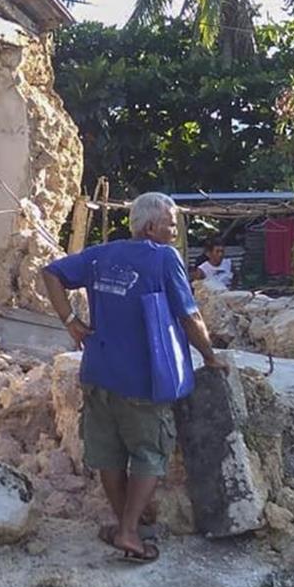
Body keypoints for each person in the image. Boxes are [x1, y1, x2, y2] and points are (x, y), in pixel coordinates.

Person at [41, 192, 228, 564]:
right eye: (171, 223)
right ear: (150, 226)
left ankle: (126, 525)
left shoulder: (101, 254)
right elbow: (189, 315)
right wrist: (209, 356)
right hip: (144, 379)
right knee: (148, 453)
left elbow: (50, 273)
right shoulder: (163, 258)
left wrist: (70, 321)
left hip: (98, 373)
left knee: (108, 454)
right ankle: (129, 532)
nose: (175, 231)